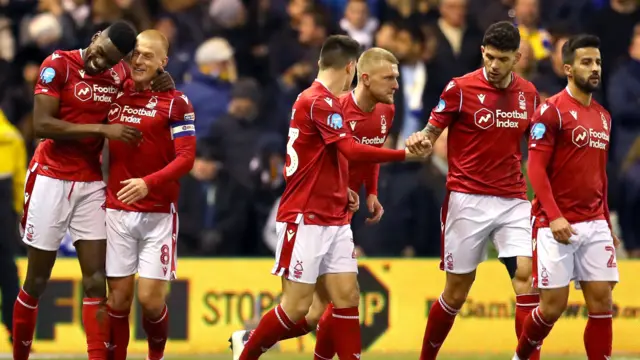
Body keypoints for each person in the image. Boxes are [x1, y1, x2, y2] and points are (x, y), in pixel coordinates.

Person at [233, 35, 426, 360]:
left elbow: (341, 156)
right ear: (353, 69)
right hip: (304, 216)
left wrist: (354, 190)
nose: (394, 85)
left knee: (347, 297)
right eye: (389, 77)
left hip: (334, 217)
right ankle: (247, 350)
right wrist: (404, 154)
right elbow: (350, 149)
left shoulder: (330, 102)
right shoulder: (318, 101)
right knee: (298, 309)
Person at [14, 21, 174, 360]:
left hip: (89, 183)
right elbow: (43, 125)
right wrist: (103, 129)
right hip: (49, 177)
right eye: (100, 54)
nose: (100, 63)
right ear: (94, 37)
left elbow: (147, 82)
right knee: (38, 279)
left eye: (110, 59)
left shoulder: (118, 75)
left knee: (95, 280)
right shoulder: (57, 64)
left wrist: (165, 81)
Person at [405, 21, 542, 360]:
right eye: (490, 57)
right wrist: (421, 139)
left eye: (503, 59)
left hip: (513, 199)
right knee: (456, 293)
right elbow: (432, 130)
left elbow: (539, 150)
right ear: (482, 52)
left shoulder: (528, 94)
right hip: (467, 199)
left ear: (517, 58)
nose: (494, 66)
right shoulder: (460, 89)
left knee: (528, 279)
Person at [513, 34, 619, 360]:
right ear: (569, 69)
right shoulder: (551, 112)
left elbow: (598, 176)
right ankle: (521, 356)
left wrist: (606, 220)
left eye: (598, 62)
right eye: (587, 62)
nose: (595, 68)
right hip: (554, 222)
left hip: (594, 221)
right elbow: (536, 169)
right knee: (552, 307)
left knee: (602, 301)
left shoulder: (604, 116)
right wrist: (555, 215)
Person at [103, 30, 196, 360]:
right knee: (117, 300)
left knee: (150, 301)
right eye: (136, 53)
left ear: (163, 63)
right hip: (115, 210)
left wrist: (148, 183)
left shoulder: (176, 101)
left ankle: (155, 356)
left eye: (148, 55)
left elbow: (186, 157)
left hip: (158, 212)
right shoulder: (113, 92)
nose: (140, 60)